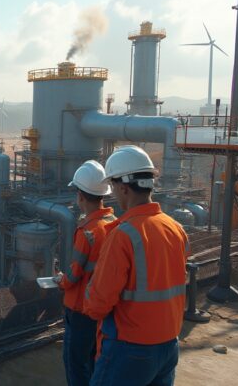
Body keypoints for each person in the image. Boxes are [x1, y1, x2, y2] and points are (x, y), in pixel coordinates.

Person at [84, 146, 189, 386]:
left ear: (123, 187)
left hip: (130, 348)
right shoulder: (175, 227)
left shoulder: (123, 235)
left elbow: (98, 304)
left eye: (112, 186)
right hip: (168, 344)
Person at [55, 160, 115, 386]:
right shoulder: (115, 224)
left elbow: (73, 276)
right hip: (103, 307)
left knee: (75, 363)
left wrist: (61, 281)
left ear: (80, 196)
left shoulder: (87, 231)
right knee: (93, 359)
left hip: (80, 308)